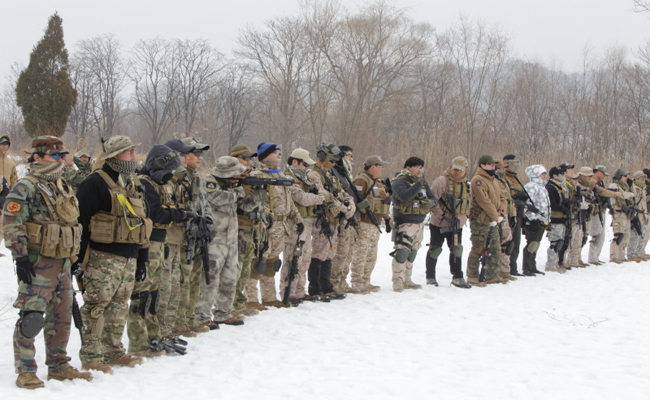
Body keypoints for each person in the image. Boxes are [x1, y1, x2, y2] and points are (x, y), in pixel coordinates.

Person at [3, 136, 92, 389]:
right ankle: (26, 371)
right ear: (37, 157)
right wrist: (20, 257)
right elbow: (12, 224)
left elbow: (70, 224)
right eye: (54, 155)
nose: (61, 159)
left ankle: (59, 365)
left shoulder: (62, 185)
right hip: (37, 262)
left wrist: (73, 259)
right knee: (31, 317)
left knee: (62, 318)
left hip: (62, 262)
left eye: (62, 155)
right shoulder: (25, 186)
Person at [76, 136, 152, 374]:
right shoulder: (95, 183)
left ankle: (113, 351)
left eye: (133, 150)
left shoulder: (132, 182)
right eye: (128, 151)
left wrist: (142, 258)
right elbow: (82, 224)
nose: (133, 155)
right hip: (102, 257)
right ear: (113, 155)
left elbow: (141, 224)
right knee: (96, 307)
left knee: (120, 306)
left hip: (128, 256)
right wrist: (78, 261)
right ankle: (91, 355)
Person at [127, 145, 192, 356]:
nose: (170, 176)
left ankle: (152, 337)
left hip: (159, 243)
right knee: (142, 293)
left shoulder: (158, 184)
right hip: (148, 243)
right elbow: (156, 214)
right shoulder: (144, 184)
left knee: (154, 293)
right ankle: (138, 343)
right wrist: (181, 215)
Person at [195, 156, 251, 327]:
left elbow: (246, 207)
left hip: (231, 239)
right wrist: (239, 191)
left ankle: (223, 313)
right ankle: (202, 317)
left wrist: (257, 193)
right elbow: (218, 198)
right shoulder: (209, 182)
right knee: (210, 279)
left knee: (230, 278)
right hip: (214, 239)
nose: (236, 178)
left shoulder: (232, 187)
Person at [245, 142, 303, 307]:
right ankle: (251, 299)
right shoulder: (257, 175)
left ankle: (269, 297)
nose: (279, 154)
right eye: (275, 152)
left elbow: (289, 202)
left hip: (281, 226)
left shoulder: (281, 176)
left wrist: (297, 218)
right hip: (264, 227)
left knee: (271, 264)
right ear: (265, 155)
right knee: (257, 262)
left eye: (279, 152)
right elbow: (253, 200)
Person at [174, 138, 214, 336]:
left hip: (198, 235)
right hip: (184, 235)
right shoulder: (177, 177)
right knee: (183, 279)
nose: (199, 157)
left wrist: (207, 222)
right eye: (195, 153)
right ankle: (179, 322)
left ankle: (189, 319)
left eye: (201, 154)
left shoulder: (195, 177)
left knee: (195, 279)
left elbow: (204, 205)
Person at [157, 138, 196, 339]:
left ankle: (170, 327)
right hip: (165, 238)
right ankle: (162, 329)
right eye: (181, 154)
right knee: (164, 286)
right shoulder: (164, 178)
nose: (185, 158)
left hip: (179, 236)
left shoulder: (184, 178)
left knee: (175, 285)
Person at [308, 143, 355, 300]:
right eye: (331, 160)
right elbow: (326, 196)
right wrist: (344, 208)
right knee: (318, 253)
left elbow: (343, 192)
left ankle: (326, 286)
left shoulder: (331, 175)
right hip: (321, 219)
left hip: (333, 219)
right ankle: (315, 288)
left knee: (329, 253)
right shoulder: (313, 174)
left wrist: (351, 205)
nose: (334, 164)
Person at [281, 148, 325, 302]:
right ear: (294, 162)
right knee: (292, 258)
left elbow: (322, 194)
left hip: (307, 222)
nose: (307, 167)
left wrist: (318, 196)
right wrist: (318, 198)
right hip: (295, 223)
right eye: (304, 164)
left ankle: (299, 291)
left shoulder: (306, 179)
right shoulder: (287, 177)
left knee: (305, 259)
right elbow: (301, 198)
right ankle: (288, 292)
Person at [390, 156, 436, 291]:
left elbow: (433, 197)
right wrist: (418, 184)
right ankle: (398, 281)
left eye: (422, 167)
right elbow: (405, 196)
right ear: (408, 167)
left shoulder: (422, 182)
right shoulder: (399, 181)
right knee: (402, 252)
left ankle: (407, 279)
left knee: (412, 253)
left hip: (419, 223)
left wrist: (430, 203)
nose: (420, 170)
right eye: (417, 167)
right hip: (405, 222)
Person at [425, 156, 472, 288]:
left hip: (457, 225)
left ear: (466, 170)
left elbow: (470, 202)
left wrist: (464, 218)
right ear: (451, 166)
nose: (457, 172)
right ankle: (430, 277)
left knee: (457, 250)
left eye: (460, 170)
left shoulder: (467, 184)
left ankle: (458, 277)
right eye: (455, 169)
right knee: (435, 249)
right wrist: (443, 216)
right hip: (439, 224)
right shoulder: (441, 181)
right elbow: (432, 202)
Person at [349, 155, 392, 292]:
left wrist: (387, 218)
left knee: (371, 255)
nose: (382, 168)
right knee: (361, 254)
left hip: (374, 224)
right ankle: (357, 282)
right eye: (381, 166)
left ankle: (365, 281)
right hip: (363, 222)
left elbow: (382, 202)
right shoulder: (361, 180)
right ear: (373, 167)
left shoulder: (378, 182)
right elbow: (354, 201)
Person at [466, 155, 506, 286]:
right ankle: (472, 276)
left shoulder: (494, 180)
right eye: (489, 164)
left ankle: (492, 275)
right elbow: (483, 201)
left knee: (495, 247)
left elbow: (502, 198)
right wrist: (495, 216)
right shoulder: (478, 180)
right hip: (480, 219)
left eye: (493, 165)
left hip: (494, 219)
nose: (492, 167)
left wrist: (501, 214)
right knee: (478, 247)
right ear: (482, 165)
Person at [330, 145, 358, 293]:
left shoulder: (346, 173)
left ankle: (342, 281)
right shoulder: (335, 172)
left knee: (347, 253)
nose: (351, 159)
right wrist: (345, 208)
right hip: (340, 217)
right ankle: (334, 283)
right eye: (348, 155)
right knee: (340, 253)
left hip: (351, 216)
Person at [588, 166, 623, 265]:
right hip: (595, 211)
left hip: (600, 210)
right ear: (598, 172)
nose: (604, 176)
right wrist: (615, 194)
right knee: (597, 234)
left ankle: (595, 257)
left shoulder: (599, 182)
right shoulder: (593, 181)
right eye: (603, 173)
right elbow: (601, 191)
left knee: (601, 235)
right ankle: (593, 258)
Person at [522, 165, 550, 276]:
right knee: (532, 243)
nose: (544, 176)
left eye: (545, 173)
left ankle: (532, 266)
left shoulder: (542, 187)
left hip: (542, 220)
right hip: (534, 220)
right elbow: (527, 204)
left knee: (537, 243)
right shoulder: (531, 187)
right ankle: (527, 267)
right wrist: (532, 218)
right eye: (542, 173)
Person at [502, 154, 525, 276]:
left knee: (516, 242)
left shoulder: (515, 178)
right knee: (508, 243)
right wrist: (515, 198)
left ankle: (513, 268)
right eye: (513, 163)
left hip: (518, 213)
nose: (515, 166)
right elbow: (504, 196)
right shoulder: (503, 177)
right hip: (509, 213)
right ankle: (506, 269)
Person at [495, 160, 517, 281]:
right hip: (499, 215)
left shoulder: (504, 182)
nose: (503, 171)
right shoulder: (494, 181)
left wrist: (513, 214)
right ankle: (496, 270)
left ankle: (505, 270)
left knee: (508, 244)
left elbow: (509, 199)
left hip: (507, 215)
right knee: (498, 244)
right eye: (500, 169)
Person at [545, 166, 570, 273]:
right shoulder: (551, 187)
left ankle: (555, 264)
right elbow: (552, 204)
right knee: (555, 243)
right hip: (554, 218)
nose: (564, 176)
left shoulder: (560, 187)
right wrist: (562, 207)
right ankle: (550, 265)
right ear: (555, 175)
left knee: (560, 242)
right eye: (561, 174)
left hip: (561, 218)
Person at [609, 169, 635, 263]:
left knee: (626, 235)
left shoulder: (625, 186)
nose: (625, 178)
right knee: (618, 235)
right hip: (618, 213)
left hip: (626, 213)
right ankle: (614, 256)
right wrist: (631, 194)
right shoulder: (614, 185)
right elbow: (623, 195)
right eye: (624, 176)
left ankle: (621, 255)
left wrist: (631, 187)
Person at [627, 170, 648, 262]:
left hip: (643, 213)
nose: (643, 180)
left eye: (644, 178)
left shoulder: (643, 188)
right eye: (641, 178)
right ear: (636, 179)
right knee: (635, 233)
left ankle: (637, 252)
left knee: (641, 232)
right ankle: (631, 254)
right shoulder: (634, 188)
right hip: (636, 213)